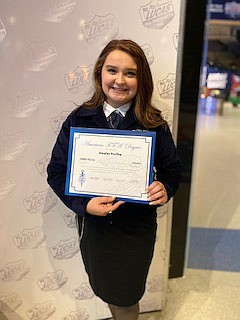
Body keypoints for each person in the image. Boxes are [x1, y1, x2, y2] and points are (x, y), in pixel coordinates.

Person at [47, 39, 181, 320]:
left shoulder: (153, 123)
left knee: (127, 295)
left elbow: (172, 171)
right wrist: (84, 206)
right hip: (95, 228)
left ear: (141, 78)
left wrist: (164, 188)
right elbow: (56, 172)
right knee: (105, 288)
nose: (120, 80)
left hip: (135, 229)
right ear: (99, 74)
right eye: (112, 70)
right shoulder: (79, 119)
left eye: (130, 73)